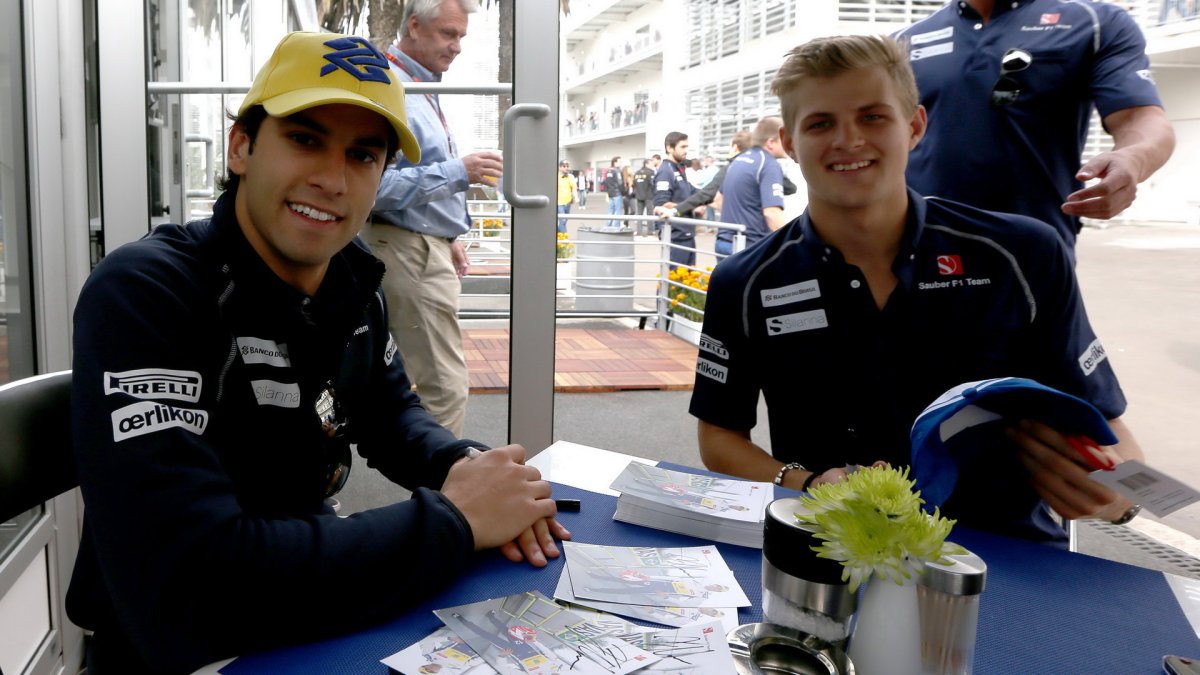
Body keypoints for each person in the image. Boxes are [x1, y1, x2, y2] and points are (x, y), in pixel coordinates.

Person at [66, 32, 569, 673]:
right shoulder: (149, 289)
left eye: (362, 155)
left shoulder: (351, 278)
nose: (332, 179)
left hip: (312, 616)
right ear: (241, 147)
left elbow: (392, 414)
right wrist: (456, 520)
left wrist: (472, 470)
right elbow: (189, 579)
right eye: (305, 139)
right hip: (183, 650)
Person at [688, 34, 1143, 545]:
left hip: (1009, 557)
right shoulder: (745, 281)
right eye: (820, 123)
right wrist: (807, 484)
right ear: (790, 143)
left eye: (872, 117)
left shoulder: (1022, 254)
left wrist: (1119, 497)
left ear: (914, 126)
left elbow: (1112, 431)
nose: (848, 140)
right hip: (835, 553)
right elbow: (720, 436)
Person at [895, 0, 1175, 255]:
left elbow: (1139, 117)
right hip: (917, 245)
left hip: (1034, 250)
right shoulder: (902, 43)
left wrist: (1133, 159)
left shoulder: (1094, 23)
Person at [366, 0, 499, 436]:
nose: (457, 46)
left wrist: (447, 235)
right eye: (448, 33)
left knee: (414, 381)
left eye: (461, 36)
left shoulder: (417, 86)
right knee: (444, 387)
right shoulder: (391, 84)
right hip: (409, 251)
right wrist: (460, 172)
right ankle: (443, 479)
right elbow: (372, 187)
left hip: (417, 245)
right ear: (414, 26)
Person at [713, 116, 788, 256]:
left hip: (724, 241)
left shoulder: (738, 160)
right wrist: (793, 242)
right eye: (784, 139)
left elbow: (718, 200)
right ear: (771, 142)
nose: (789, 144)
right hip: (749, 247)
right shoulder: (768, 164)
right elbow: (772, 213)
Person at [652, 132, 705, 267]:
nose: (686, 150)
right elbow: (662, 204)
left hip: (686, 235)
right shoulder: (666, 171)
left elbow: (697, 193)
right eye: (682, 147)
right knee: (674, 278)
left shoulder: (679, 168)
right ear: (669, 148)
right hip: (675, 238)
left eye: (687, 147)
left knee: (687, 278)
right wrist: (692, 207)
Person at [632, 159, 656, 234]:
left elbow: (634, 184)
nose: (652, 165)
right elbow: (653, 184)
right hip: (649, 196)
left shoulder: (637, 172)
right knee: (650, 214)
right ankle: (650, 231)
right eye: (651, 163)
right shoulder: (651, 172)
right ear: (646, 164)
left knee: (639, 214)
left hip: (639, 196)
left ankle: (638, 231)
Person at [603, 156, 624, 228]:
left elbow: (606, 182)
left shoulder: (608, 171)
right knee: (618, 210)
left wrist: (608, 191)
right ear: (615, 162)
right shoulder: (617, 171)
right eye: (620, 161)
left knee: (610, 210)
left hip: (610, 193)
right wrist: (623, 192)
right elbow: (620, 182)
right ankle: (616, 226)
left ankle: (609, 225)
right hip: (617, 193)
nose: (621, 163)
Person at [556, 159, 576, 234]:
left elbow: (574, 187)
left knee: (564, 221)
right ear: (559, 167)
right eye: (564, 166)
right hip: (559, 203)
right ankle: (564, 237)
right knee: (563, 220)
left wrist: (575, 197)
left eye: (567, 166)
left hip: (568, 202)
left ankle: (557, 233)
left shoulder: (570, 176)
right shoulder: (555, 176)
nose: (566, 168)